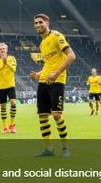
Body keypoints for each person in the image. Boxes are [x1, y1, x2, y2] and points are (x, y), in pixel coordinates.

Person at [30, 13, 76, 157]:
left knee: (56, 115)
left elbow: (71, 56)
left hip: (57, 80)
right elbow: (47, 64)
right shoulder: (42, 44)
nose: (38, 25)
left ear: (47, 23)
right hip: (43, 81)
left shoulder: (56, 36)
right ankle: (48, 149)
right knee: (42, 116)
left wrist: (56, 73)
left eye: (40, 22)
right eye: (36, 23)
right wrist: (39, 74)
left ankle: (65, 147)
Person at [0, 42, 18, 134]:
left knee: (13, 103)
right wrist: (3, 65)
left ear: (6, 50)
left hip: (11, 85)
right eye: (0, 49)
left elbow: (14, 69)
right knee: (3, 107)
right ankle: (4, 127)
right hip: (1, 87)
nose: (2, 50)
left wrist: (6, 63)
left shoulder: (12, 58)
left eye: (3, 48)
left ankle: (12, 124)